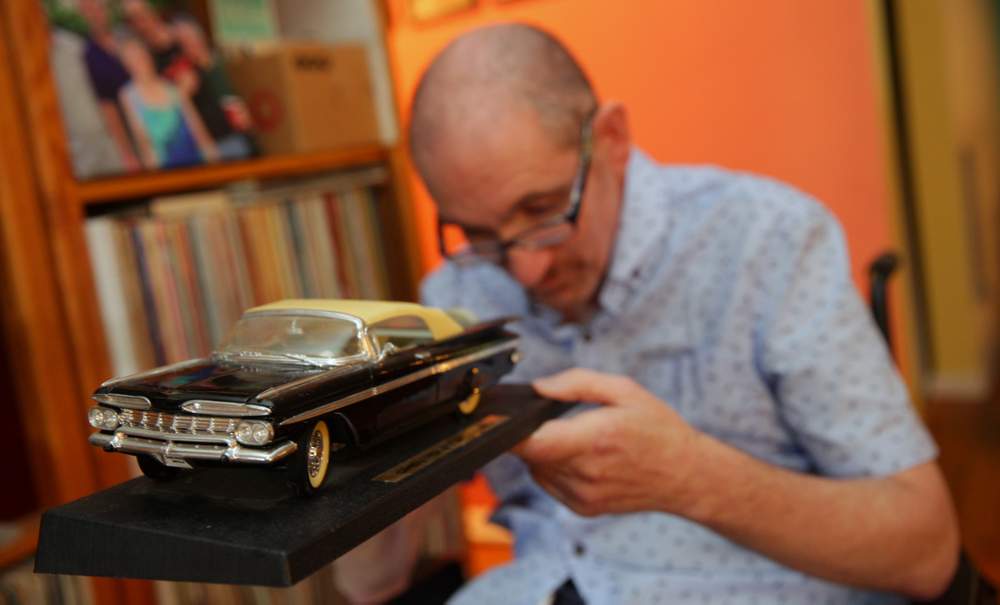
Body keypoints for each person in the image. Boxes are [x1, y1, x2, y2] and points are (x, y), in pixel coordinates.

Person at [409, 23, 959, 604]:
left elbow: (925, 548)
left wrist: (690, 480)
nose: (524, 272)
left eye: (544, 210)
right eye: (480, 233)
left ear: (613, 139)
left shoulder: (768, 239)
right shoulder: (458, 291)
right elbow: (379, 570)